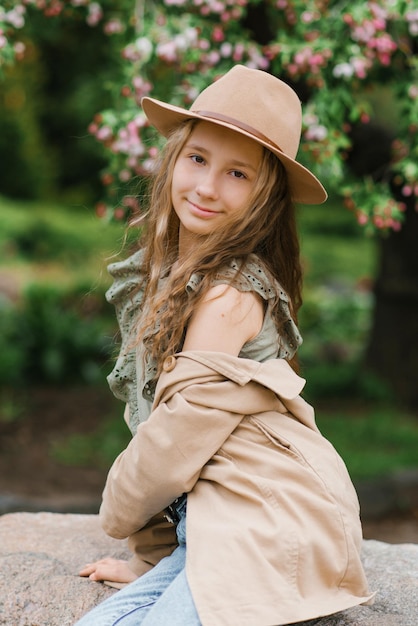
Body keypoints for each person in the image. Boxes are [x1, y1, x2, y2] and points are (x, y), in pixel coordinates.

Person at [75, 65, 373, 625]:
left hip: (267, 521)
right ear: (173, 158)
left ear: (266, 196)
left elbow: (176, 437)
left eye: (238, 173)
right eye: (197, 159)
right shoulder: (169, 273)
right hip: (217, 526)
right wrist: (156, 559)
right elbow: (161, 427)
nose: (208, 187)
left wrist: (117, 511)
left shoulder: (227, 295)